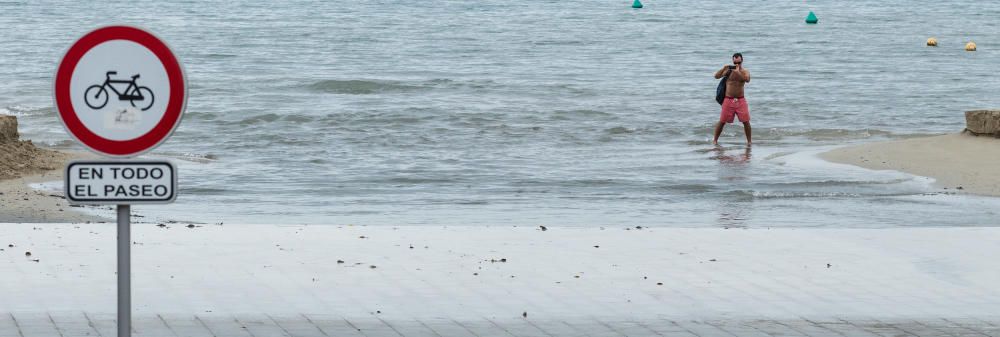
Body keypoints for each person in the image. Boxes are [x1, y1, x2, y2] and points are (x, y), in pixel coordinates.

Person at [712, 53, 751, 146]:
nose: (737, 64)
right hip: (728, 99)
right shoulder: (728, 71)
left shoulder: (745, 71)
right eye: (735, 62)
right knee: (722, 121)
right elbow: (716, 76)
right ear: (732, 61)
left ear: (742, 61)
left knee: (746, 121)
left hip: (741, 100)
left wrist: (738, 72)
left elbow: (747, 79)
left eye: (739, 62)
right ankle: (715, 140)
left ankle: (749, 142)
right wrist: (723, 68)